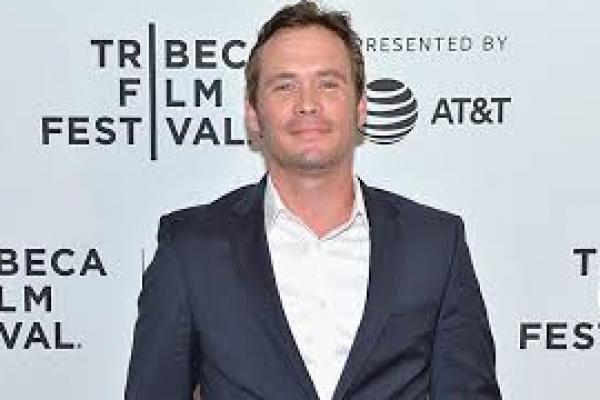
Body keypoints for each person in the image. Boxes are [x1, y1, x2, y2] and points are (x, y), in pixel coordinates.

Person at [125, 1, 502, 399]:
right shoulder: (190, 249)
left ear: (360, 107)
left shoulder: (435, 244)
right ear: (253, 114)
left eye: (328, 84)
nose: (308, 104)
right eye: (284, 86)